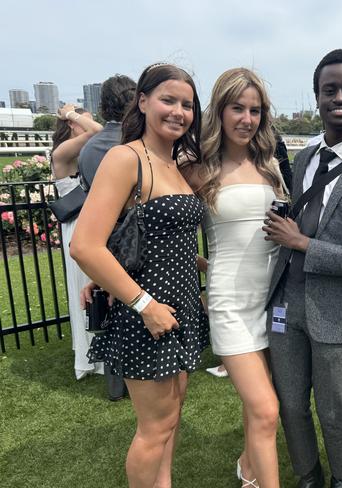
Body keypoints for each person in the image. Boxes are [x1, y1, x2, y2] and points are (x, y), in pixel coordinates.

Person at [70, 63, 209, 488]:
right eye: (168, 100)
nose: (179, 111)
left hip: (179, 308)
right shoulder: (125, 157)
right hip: (149, 315)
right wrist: (145, 305)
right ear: (143, 101)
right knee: (154, 430)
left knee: (170, 421)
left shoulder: (173, 161)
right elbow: (84, 245)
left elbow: (156, 236)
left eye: (187, 104)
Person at [263, 49, 342, 488]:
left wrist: (303, 242)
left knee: (335, 408)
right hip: (286, 301)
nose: (339, 97)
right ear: (317, 97)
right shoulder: (304, 160)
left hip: (335, 312)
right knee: (291, 402)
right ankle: (308, 474)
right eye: (329, 89)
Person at [187, 67, 286, 488]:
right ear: (219, 111)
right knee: (267, 410)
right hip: (230, 304)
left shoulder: (270, 165)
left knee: (259, 406)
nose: (247, 119)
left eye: (255, 110)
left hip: (274, 300)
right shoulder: (197, 169)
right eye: (237, 108)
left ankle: (248, 467)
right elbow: (165, 231)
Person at [77, 74, 136, 400]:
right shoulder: (130, 148)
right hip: (131, 244)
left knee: (112, 315)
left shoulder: (89, 150)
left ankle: (115, 385)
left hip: (101, 241)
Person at [50, 104, 103, 380]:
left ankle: (100, 347)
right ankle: (89, 355)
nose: (89, 123)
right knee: (84, 286)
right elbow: (100, 132)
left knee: (98, 286)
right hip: (78, 226)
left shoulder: (84, 153)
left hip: (93, 223)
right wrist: (70, 113)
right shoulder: (62, 152)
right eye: (83, 119)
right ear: (72, 124)